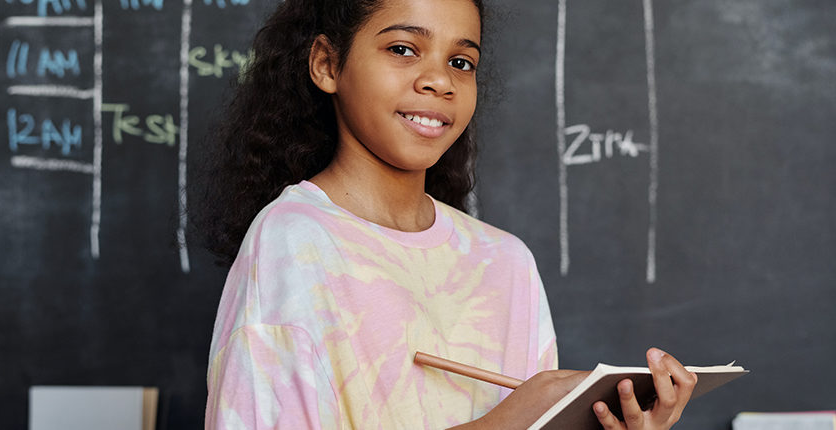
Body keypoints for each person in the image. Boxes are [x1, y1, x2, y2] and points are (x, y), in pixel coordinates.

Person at [197, 0, 697, 428]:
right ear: (328, 64)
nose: (439, 80)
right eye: (402, 49)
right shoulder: (292, 243)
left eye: (461, 61)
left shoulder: (505, 263)